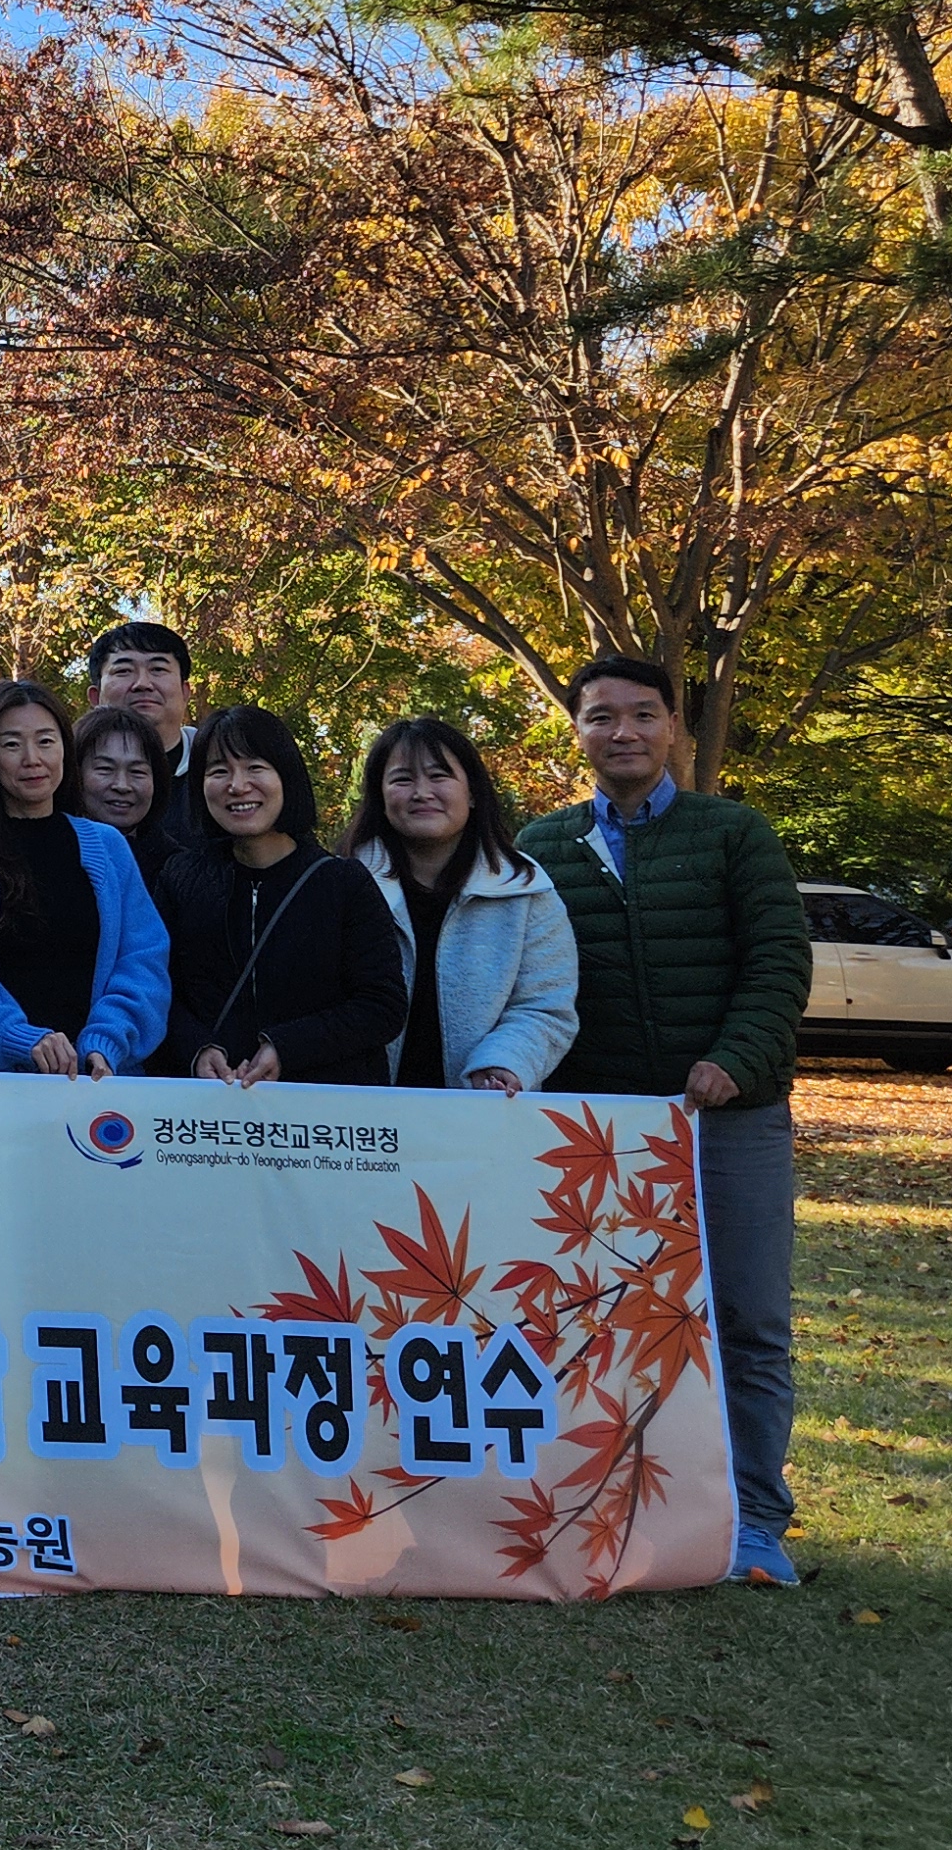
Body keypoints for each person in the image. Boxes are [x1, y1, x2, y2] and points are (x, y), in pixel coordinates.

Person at [513, 654, 812, 1587]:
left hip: (729, 1123)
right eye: (601, 717)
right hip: (595, 1134)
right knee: (598, 1326)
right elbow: (529, 981)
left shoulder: (734, 833)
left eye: (642, 715)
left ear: (674, 727)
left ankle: (756, 1521)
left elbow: (778, 964)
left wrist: (734, 1060)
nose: (623, 733)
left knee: (746, 1321)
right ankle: (603, 1501)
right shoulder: (541, 844)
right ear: (579, 733)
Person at [0, 679, 169, 1077]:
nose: (32, 759)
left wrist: (105, 1041)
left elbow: (143, 960)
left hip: (103, 1085)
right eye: (11, 744)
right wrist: (20, 1039)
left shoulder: (107, 847)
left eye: (46, 741)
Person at [156, 704, 405, 1086]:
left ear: (286, 776)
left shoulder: (343, 882)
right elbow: (158, 986)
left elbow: (382, 1006)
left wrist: (285, 1046)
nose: (237, 785)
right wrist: (199, 1048)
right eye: (219, 770)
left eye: (255, 767)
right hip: (207, 1114)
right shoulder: (180, 877)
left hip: (323, 1114)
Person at [342, 716, 579, 1093]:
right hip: (364, 1114)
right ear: (380, 797)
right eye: (403, 779)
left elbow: (544, 1007)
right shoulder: (340, 884)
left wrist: (504, 1064)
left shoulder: (525, 889)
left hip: (482, 1114)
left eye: (439, 776)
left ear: (471, 793)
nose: (422, 792)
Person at [82, 621, 198, 867]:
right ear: (95, 696)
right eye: (124, 671)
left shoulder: (217, 772)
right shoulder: (61, 778)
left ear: (185, 691)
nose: (143, 683)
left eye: (158, 669)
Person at [70, 702, 168, 858]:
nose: (122, 786)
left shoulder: (177, 870)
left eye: (137, 771)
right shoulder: (51, 852)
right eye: (105, 769)